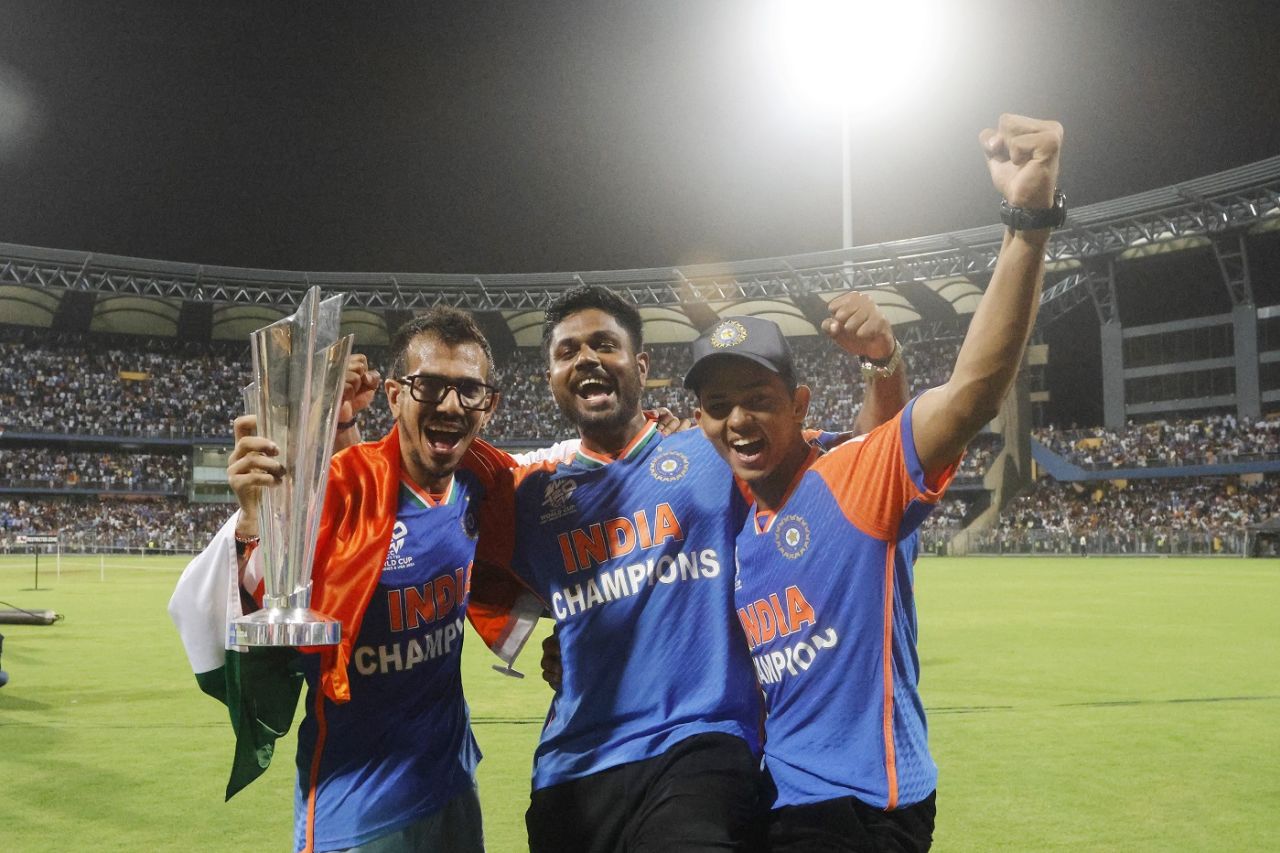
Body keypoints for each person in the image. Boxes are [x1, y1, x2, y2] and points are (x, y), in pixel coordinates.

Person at [683, 113, 1064, 852]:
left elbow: (973, 393)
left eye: (758, 399)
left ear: (798, 406)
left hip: (857, 810)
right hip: (773, 796)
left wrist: (1026, 224)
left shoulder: (852, 478)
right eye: (717, 405)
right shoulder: (736, 522)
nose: (737, 420)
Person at [477, 284, 907, 853]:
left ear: (641, 365)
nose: (586, 359)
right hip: (570, 770)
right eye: (567, 352)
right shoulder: (530, 497)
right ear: (551, 378)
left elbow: (871, 454)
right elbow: (419, 522)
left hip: (698, 751)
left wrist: (882, 360)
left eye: (605, 345)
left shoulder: (722, 447)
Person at [169, 309, 537, 853]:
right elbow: (266, 616)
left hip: (453, 786)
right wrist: (255, 517)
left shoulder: (481, 484)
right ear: (394, 395)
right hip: (357, 808)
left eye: (468, 390)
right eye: (429, 386)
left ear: (490, 404)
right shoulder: (340, 487)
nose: (450, 404)